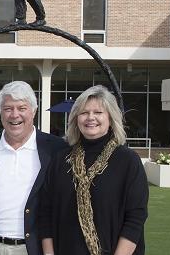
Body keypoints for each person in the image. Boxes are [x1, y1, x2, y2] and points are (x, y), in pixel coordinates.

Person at [38, 85, 148, 255]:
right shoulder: (60, 160)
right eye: (84, 113)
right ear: (76, 119)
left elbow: (135, 218)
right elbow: (45, 213)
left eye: (98, 112)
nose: (90, 118)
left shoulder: (128, 161)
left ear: (110, 118)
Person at [0, 81, 67, 255]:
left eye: (22, 108)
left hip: (37, 248)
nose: (15, 115)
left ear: (34, 111)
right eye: (8, 109)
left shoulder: (56, 149)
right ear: (0, 113)